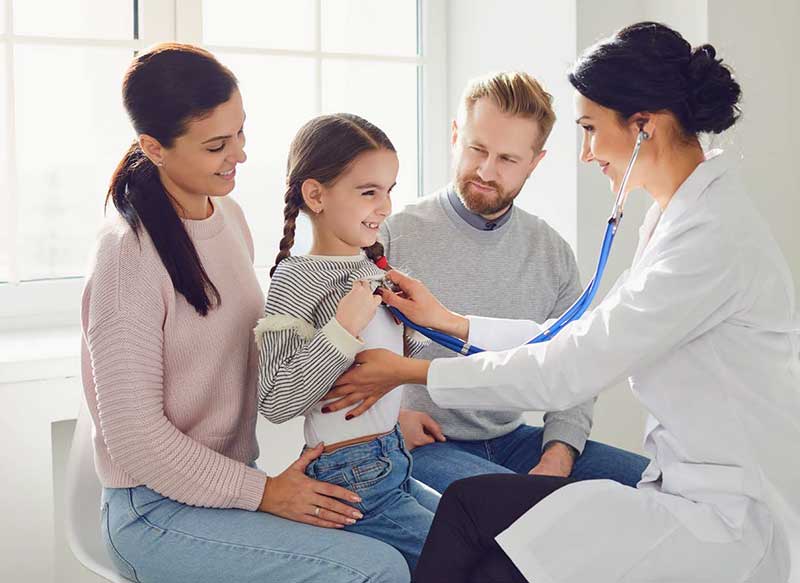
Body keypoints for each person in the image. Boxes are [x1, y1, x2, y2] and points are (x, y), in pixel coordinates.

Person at [327, 22, 799, 582]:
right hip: (693, 489)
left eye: (592, 129)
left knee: (487, 531)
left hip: (727, 514)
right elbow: (575, 337)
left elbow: (573, 365)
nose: (587, 153)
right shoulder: (679, 218)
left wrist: (412, 372)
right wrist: (450, 322)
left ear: (643, 126)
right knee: (482, 522)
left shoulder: (709, 238)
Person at [82, 44, 411, 583]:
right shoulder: (127, 255)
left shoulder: (229, 217)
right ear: (153, 148)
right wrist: (264, 493)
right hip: (155, 512)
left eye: (241, 133)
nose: (239, 155)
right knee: (376, 569)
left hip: (233, 486)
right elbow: (136, 441)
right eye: (216, 145)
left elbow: (278, 363)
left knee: (442, 544)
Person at [378, 71, 648, 493]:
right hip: (426, 442)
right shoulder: (391, 236)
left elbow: (575, 366)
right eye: (477, 149)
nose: (486, 170)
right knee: (516, 508)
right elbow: (346, 354)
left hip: (516, 440)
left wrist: (559, 452)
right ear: (455, 136)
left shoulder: (551, 252)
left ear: (535, 162)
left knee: (654, 485)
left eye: (507, 160)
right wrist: (391, 417)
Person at [255, 113, 439, 572]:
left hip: (393, 457)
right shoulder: (296, 279)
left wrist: (412, 325)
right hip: (350, 474)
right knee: (470, 560)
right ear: (315, 195)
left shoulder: (372, 270)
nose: (387, 206)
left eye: (390, 190)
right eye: (369, 192)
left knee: (484, 536)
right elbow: (276, 401)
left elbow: (381, 371)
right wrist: (341, 329)